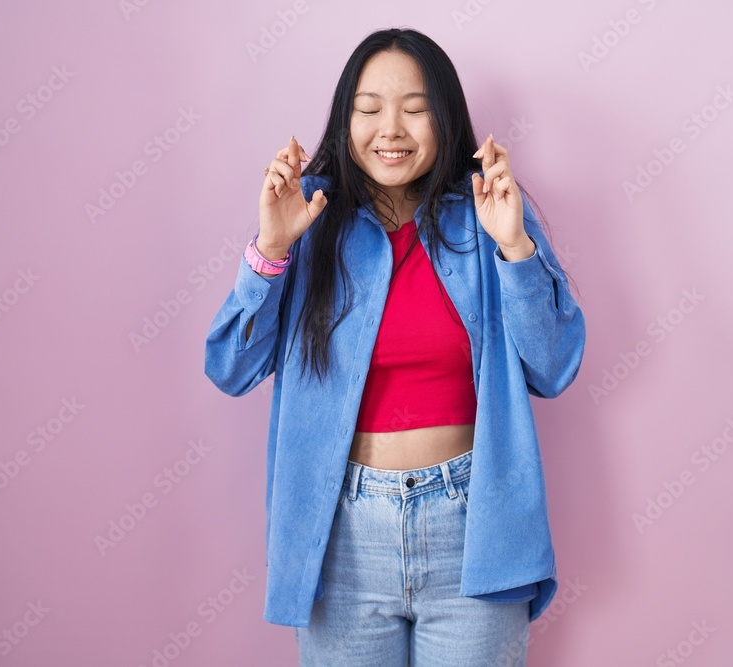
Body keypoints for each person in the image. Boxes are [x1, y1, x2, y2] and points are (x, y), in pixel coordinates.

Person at [204, 26, 586, 666]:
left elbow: (554, 366)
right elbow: (231, 367)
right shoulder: (309, 215)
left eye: (415, 110)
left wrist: (515, 247)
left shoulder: (488, 210)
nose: (392, 129)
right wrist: (271, 250)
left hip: (474, 526)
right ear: (344, 119)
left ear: (445, 119)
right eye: (370, 108)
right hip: (342, 533)